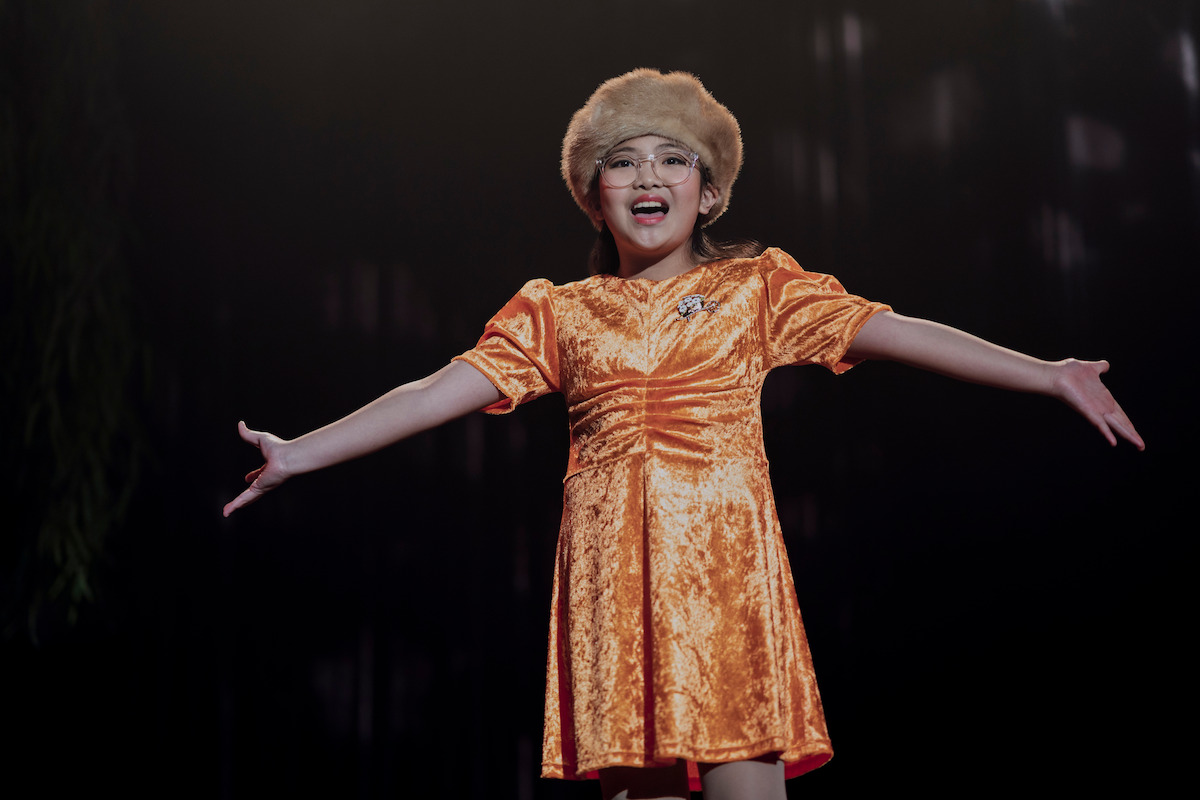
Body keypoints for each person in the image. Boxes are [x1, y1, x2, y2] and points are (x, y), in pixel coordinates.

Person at [223, 70, 1143, 800]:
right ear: (594, 196)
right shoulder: (559, 313)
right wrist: (300, 451)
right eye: (623, 163)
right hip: (615, 588)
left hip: (728, 580)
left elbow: (896, 331)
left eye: (673, 159)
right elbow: (433, 392)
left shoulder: (757, 289)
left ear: (709, 193)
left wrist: (1047, 372)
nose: (649, 178)